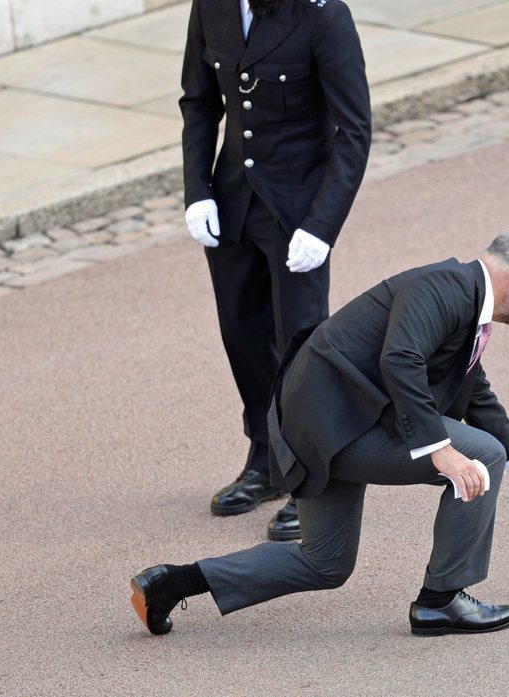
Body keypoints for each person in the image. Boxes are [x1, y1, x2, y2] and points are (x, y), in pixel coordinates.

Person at [131, 229, 509, 636]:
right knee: (482, 455)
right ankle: (442, 600)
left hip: (325, 425)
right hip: (333, 425)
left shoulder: (463, 300)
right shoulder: (444, 288)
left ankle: (173, 582)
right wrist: (442, 451)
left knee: (324, 563)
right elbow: (401, 360)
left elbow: (479, 398)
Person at [180, 0, 371, 539]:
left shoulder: (322, 14)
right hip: (232, 204)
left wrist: (322, 225)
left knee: (303, 350)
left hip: (298, 211)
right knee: (241, 335)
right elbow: (198, 103)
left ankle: (311, 477)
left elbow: (354, 131)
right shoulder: (211, 5)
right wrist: (198, 191)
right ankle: (266, 460)